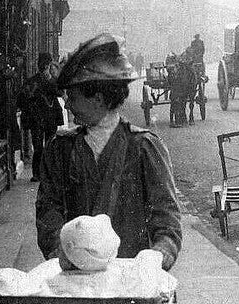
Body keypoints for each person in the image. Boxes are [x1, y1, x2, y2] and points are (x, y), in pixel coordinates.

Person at [36, 33, 182, 271]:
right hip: (76, 283)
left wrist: (159, 254)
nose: (69, 106)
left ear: (99, 98)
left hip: (131, 283)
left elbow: (166, 219)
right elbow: (47, 210)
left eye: (73, 98)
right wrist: (58, 251)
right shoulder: (59, 150)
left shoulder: (144, 148)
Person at [17, 52, 64, 182]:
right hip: (38, 118)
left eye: (46, 65)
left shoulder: (51, 80)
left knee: (48, 146)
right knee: (39, 147)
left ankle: (45, 174)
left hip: (49, 118)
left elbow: (60, 92)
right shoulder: (34, 81)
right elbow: (22, 99)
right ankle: (39, 174)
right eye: (43, 65)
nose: (44, 67)